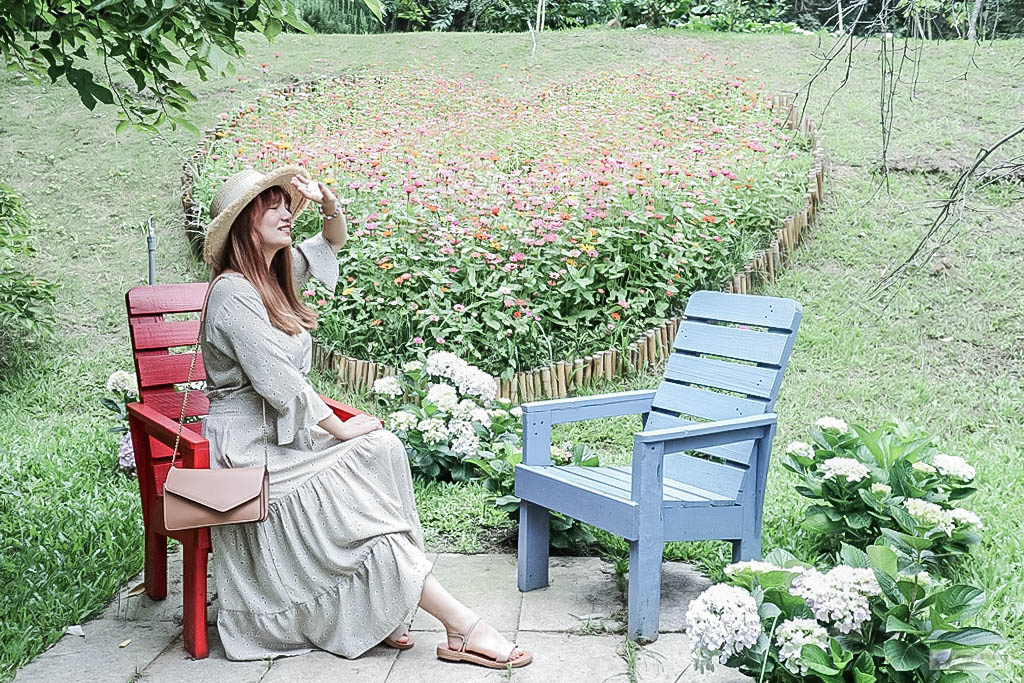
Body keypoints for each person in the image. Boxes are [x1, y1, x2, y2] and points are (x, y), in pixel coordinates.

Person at [198, 165, 532, 669]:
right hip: (248, 450)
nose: (288, 212)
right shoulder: (232, 293)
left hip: (285, 436)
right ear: (245, 220)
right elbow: (278, 381)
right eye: (273, 204)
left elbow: (330, 243)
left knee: (384, 448)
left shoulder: (273, 275)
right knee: (360, 518)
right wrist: (337, 424)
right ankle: (462, 626)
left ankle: (391, 603)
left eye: (288, 204)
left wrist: (329, 202)